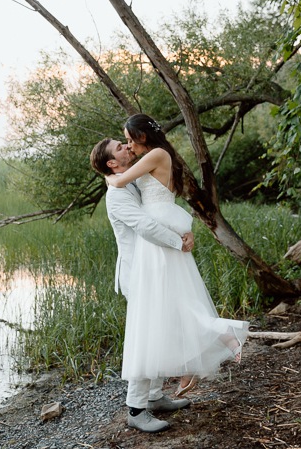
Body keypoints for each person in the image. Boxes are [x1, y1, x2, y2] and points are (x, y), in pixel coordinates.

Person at [105, 113, 248, 400]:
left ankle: (221, 335)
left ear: (142, 137)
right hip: (165, 223)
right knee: (175, 304)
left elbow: (119, 183)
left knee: (172, 306)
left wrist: (109, 176)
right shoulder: (161, 154)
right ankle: (188, 366)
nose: (128, 145)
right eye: (123, 144)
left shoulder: (155, 154)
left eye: (129, 140)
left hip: (159, 230)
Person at [90, 137, 194, 433]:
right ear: (111, 162)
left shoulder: (130, 179)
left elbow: (160, 206)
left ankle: (154, 396)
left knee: (160, 329)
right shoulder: (117, 194)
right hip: (137, 272)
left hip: (155, 268)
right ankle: (136, 409)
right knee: (145, 334)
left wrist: (186, 232)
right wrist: (178, 243)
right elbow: (145, 226)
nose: (126, 146)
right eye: (119, 147)